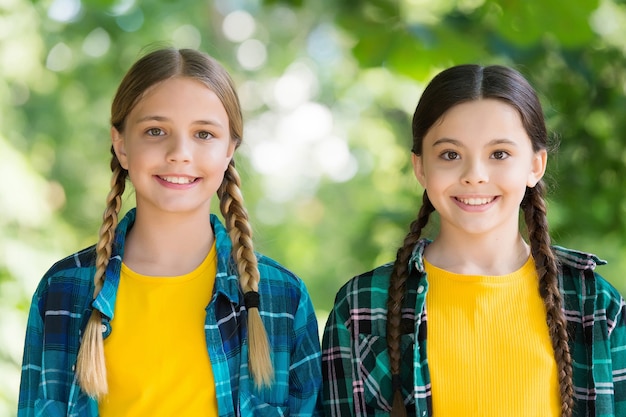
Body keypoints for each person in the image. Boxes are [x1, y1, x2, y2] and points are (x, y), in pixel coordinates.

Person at [18, 47, 322, 417]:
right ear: (121, 144)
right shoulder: (63, 290)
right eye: (155, 131)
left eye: (204, 134)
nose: (180, 152)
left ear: (230, 149)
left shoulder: (282, 299)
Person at [321, 64, 626, 417]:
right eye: (450, 155)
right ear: (420, 167)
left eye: (499, 154)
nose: (474, 176)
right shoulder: (361, 307)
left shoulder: (596, 305)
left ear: (535, 165)